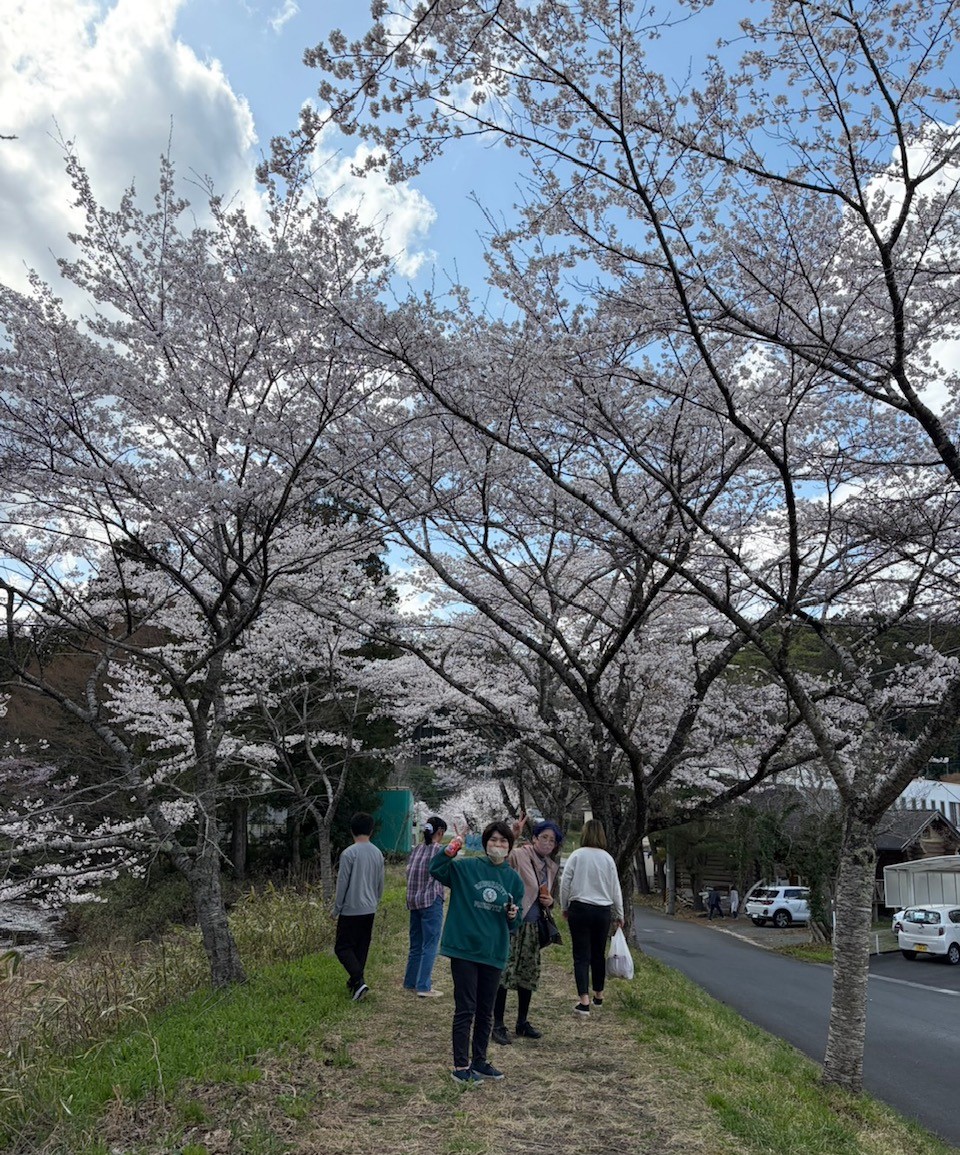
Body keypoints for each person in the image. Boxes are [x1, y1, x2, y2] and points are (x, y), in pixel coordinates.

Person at [430, 819, 523, 1084]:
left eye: (503, 841)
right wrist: (455, 844)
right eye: (493, 840)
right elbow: (436, 868)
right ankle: (461, 1066)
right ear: (485, 844)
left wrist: (513, 915)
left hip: (493, 951)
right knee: (465, 1008)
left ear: (509, 847)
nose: (498, 845)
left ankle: (480, 1061)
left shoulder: (513, 880)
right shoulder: (466, 868)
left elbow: (515, 922)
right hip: (465, 948)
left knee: (486, 1010)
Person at [492, 816, 563, 1045]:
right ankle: (497, 1024)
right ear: (534, 838)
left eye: (552, 841)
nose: (548, 843)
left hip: (533, 926)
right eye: (544, 837)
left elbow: (548, 898)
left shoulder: (551, 865)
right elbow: (502, 861)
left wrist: (550, 901)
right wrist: (512, 835)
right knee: (504, 973)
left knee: (528, 974)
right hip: (513, 924)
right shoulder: (520, 855)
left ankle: (522, 1022)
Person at [560, 818, 623, 1015]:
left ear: (584, 834)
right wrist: (619, 914)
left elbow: (565, 883)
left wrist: (564, 906)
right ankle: (599, 995)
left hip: (579, 908)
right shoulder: (607, 858)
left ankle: (583, 1001)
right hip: (602, 910)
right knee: (598, 953)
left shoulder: (577, 855)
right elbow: (615, 888)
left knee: (581, 955)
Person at [333, 812, 385, 1002]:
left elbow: (342, 883)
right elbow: (380, 883)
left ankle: (358, 980)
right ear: (371, 830)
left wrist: (336, 908)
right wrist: (376, 901)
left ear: (352, 830)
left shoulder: (349, 853)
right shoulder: (378, 853)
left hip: (350, 909)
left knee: (342, 947)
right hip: (370, 908)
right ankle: (355, 984)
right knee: (361, 948)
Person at [403, 815, 448, 998]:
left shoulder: (417, 849)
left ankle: (410, 982)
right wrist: (460, 839)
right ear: (440, 832)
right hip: (431, 901)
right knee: (430, 945)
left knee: (415, 945)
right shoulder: (438, 850)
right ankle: (424, 986)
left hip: (414, 902)